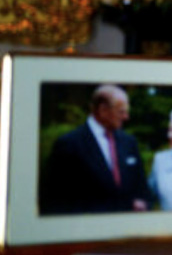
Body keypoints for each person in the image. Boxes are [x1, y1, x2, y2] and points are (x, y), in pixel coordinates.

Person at [40, 85, 151, 214]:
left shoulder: (129, 142)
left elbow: (142, 188)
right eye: (121, 112)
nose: (126, 117)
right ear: (103, 110)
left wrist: (144, 203)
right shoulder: (69, 144)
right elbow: (53, 199)